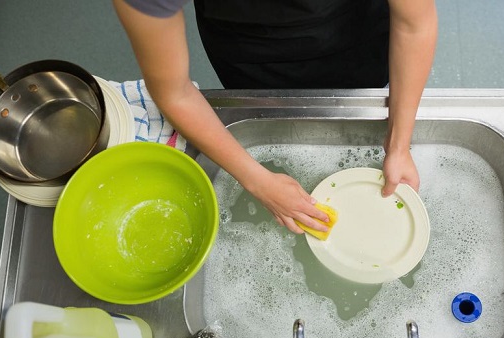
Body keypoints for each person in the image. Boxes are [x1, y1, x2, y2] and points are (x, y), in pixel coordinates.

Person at [113, 0, 437, 235]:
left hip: (355, 37)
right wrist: (258, 181)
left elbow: (414, 24)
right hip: (249, 55)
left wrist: (398, 145)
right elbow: (174, 93)